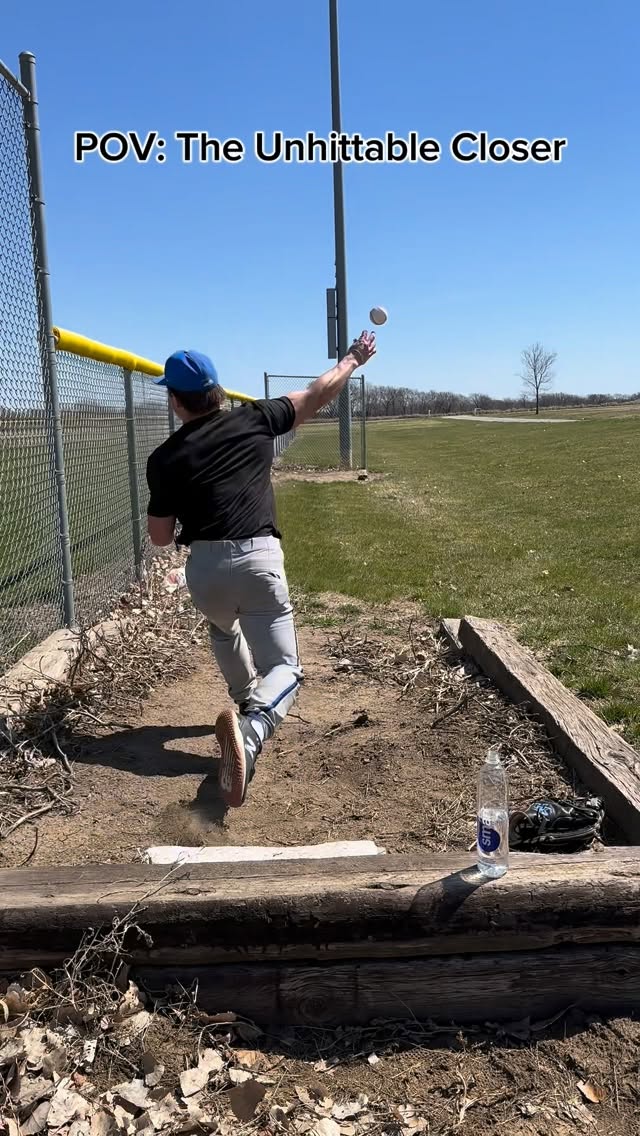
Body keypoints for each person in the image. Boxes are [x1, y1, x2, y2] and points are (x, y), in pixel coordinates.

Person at [146, 330, 376, 808]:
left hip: (205, 570)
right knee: (287, 668)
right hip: (258, 560)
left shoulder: (165, 458)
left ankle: (245, 698)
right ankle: (250, 732)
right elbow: (318, 392)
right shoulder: (254, 417)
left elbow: (161, 537)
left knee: (222, 627)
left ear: (176, 401)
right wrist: (353, 358)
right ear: (217, 392)